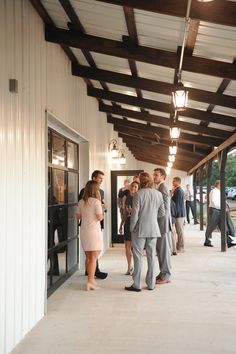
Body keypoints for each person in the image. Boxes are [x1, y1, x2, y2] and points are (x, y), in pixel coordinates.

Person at [125, 172, 165, 292]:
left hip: (139, 230)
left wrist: (131, 228)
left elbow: (135, 214)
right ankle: (151, 283)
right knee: (151, 257)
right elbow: (162, 213)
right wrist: (152, 218)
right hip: (153, 229)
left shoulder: (138, 194)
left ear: (141, 182)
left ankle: (137, 284)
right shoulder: (158, 194)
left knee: (137, 257)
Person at [78, 170, 108, 279]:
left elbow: (102, 206)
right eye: (100, 178)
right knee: (93, 251)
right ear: (94, 178)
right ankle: (94, 271)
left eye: (102, 178)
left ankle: (91, 271)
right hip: (89, 223)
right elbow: (83, 208)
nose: (101, 180)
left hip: (97, 223)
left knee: (92, 250)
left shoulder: (102, 192)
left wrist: (104, 207)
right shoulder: (84, 191)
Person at [76, 180, 104, 290]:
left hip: (84, 231)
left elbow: (78, 216)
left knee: (88, 257)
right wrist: (103, 208)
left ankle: (90, 280)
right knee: (94, 257)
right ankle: (90, 281)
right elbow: (99, 217)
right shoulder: (96, 202)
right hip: (94, 232)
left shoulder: (81, 202)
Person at [153, 168, 172, 284]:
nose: (154, 177)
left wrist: (154, 216)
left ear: (163, 177)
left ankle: (166, 275)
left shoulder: (163, 187)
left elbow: (165, 207)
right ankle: (162, 273)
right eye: (154, 175)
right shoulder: (159, 187)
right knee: (160, 250)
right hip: (160, 223)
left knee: (163, 251)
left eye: (156, 175)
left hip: (162, 224)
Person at [204, 180, 236, 247]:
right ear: (218, 184)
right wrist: (222, 207)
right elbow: (214, 202)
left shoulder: (220, 191)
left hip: (220, 210)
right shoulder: (213, 191)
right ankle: (207, 241)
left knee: (223, 226)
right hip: (214, 210)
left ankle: (228, 241)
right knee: (211, 226)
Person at [119, 181, 139, 275]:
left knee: (134, 247)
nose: (133, 188)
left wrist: (134, 212)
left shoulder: (139, 197)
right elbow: (124, 213)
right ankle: (129, 266)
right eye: (132, 186)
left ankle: (136, 267)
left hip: (136, 223)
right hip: (127, 222)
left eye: (135, 187)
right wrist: (121, 224)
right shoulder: (126, 198)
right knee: (127, 245)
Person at [171, 177, 186, 253]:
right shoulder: (177, 190)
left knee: (180, 231)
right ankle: (179, 246)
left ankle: (181, 247)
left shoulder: (179, 191)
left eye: (174, 181)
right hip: (178, 213)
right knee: (179, 231)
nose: (172, 182)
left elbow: (178, 204)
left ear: (178, 182)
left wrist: (175, 214)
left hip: (179, 214)